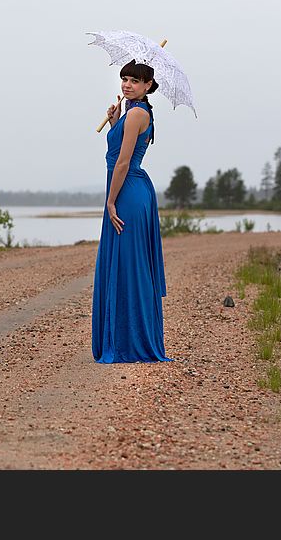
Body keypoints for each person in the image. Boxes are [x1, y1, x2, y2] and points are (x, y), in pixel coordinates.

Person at [91, 59, 172, 363]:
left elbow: (123, 163)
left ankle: (131, 341)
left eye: (135, 81)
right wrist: (115, 123)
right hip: (128, 189)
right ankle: (125, 336)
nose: (127, 85)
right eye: (124, 79)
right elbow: (120, 150)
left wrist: (111, 201)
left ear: (148, 85)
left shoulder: (137, 112)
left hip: (128, 192)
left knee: (130, 264)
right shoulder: (130, 113)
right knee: (124, 263)